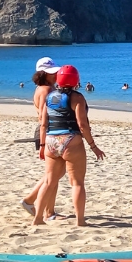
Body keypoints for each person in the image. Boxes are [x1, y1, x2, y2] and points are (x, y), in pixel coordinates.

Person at [35, 65, 105, 226]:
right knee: (77, 182)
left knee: (49, 182)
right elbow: (82, 125)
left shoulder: (49, 96)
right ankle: (80, 221)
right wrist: (93, 146)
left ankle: (38, 218)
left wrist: (42, 145)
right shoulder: (77, 98)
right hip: (71, 140)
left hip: (51, 141)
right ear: (76, 80)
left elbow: (43, 124)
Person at [20, 58, 60, 218]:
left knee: (54, 174)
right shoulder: (46, 90)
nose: (56, 74)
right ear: (43, 74)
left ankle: (48, 210)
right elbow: (45, 118)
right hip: (49, 132)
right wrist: (43, 144)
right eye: (52, 73)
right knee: (53, 175)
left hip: (46, 132)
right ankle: (32, 202)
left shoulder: (41, 88)